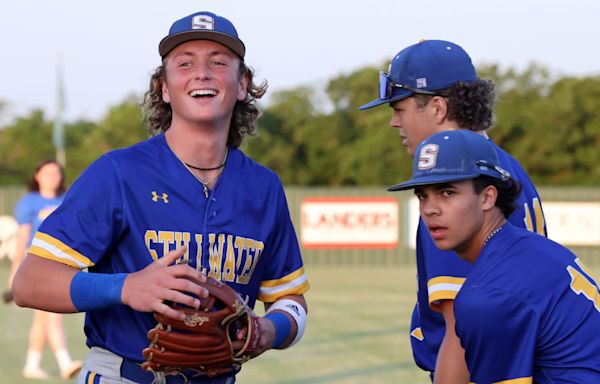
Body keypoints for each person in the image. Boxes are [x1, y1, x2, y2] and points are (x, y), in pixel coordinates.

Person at [12, 11, 309, 384]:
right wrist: (124, 287)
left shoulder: (263, 187)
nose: (202, 73)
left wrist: (270, 330)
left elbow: (291, 300)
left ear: (242, 84)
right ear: (164, 88)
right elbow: (29, 283)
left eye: (218, 63)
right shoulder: (118, 173)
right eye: (185, 63)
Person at [359, 39, 546, 383]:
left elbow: (459, 333)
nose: (394, 123)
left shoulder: (454, 188)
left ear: (438, 108)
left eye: (399, 109)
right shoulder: (508, 166)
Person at [389, 129, 600, 383]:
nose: (430, 209)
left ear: (488, 197)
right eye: (422, 195)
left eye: (447, 192)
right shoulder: (532, 249)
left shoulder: (490, 293)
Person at [7, 160, 83, 380]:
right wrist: (15, 269)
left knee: (43, 317)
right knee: (52, 313)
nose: (53, 177)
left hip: (62, 262)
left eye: (56, 173)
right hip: (37, 263)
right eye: (47, 172)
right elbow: (23, 236)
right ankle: (65, 362)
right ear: (37, 175)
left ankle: (32, 364)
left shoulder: (65, 200)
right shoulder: (28, 202)